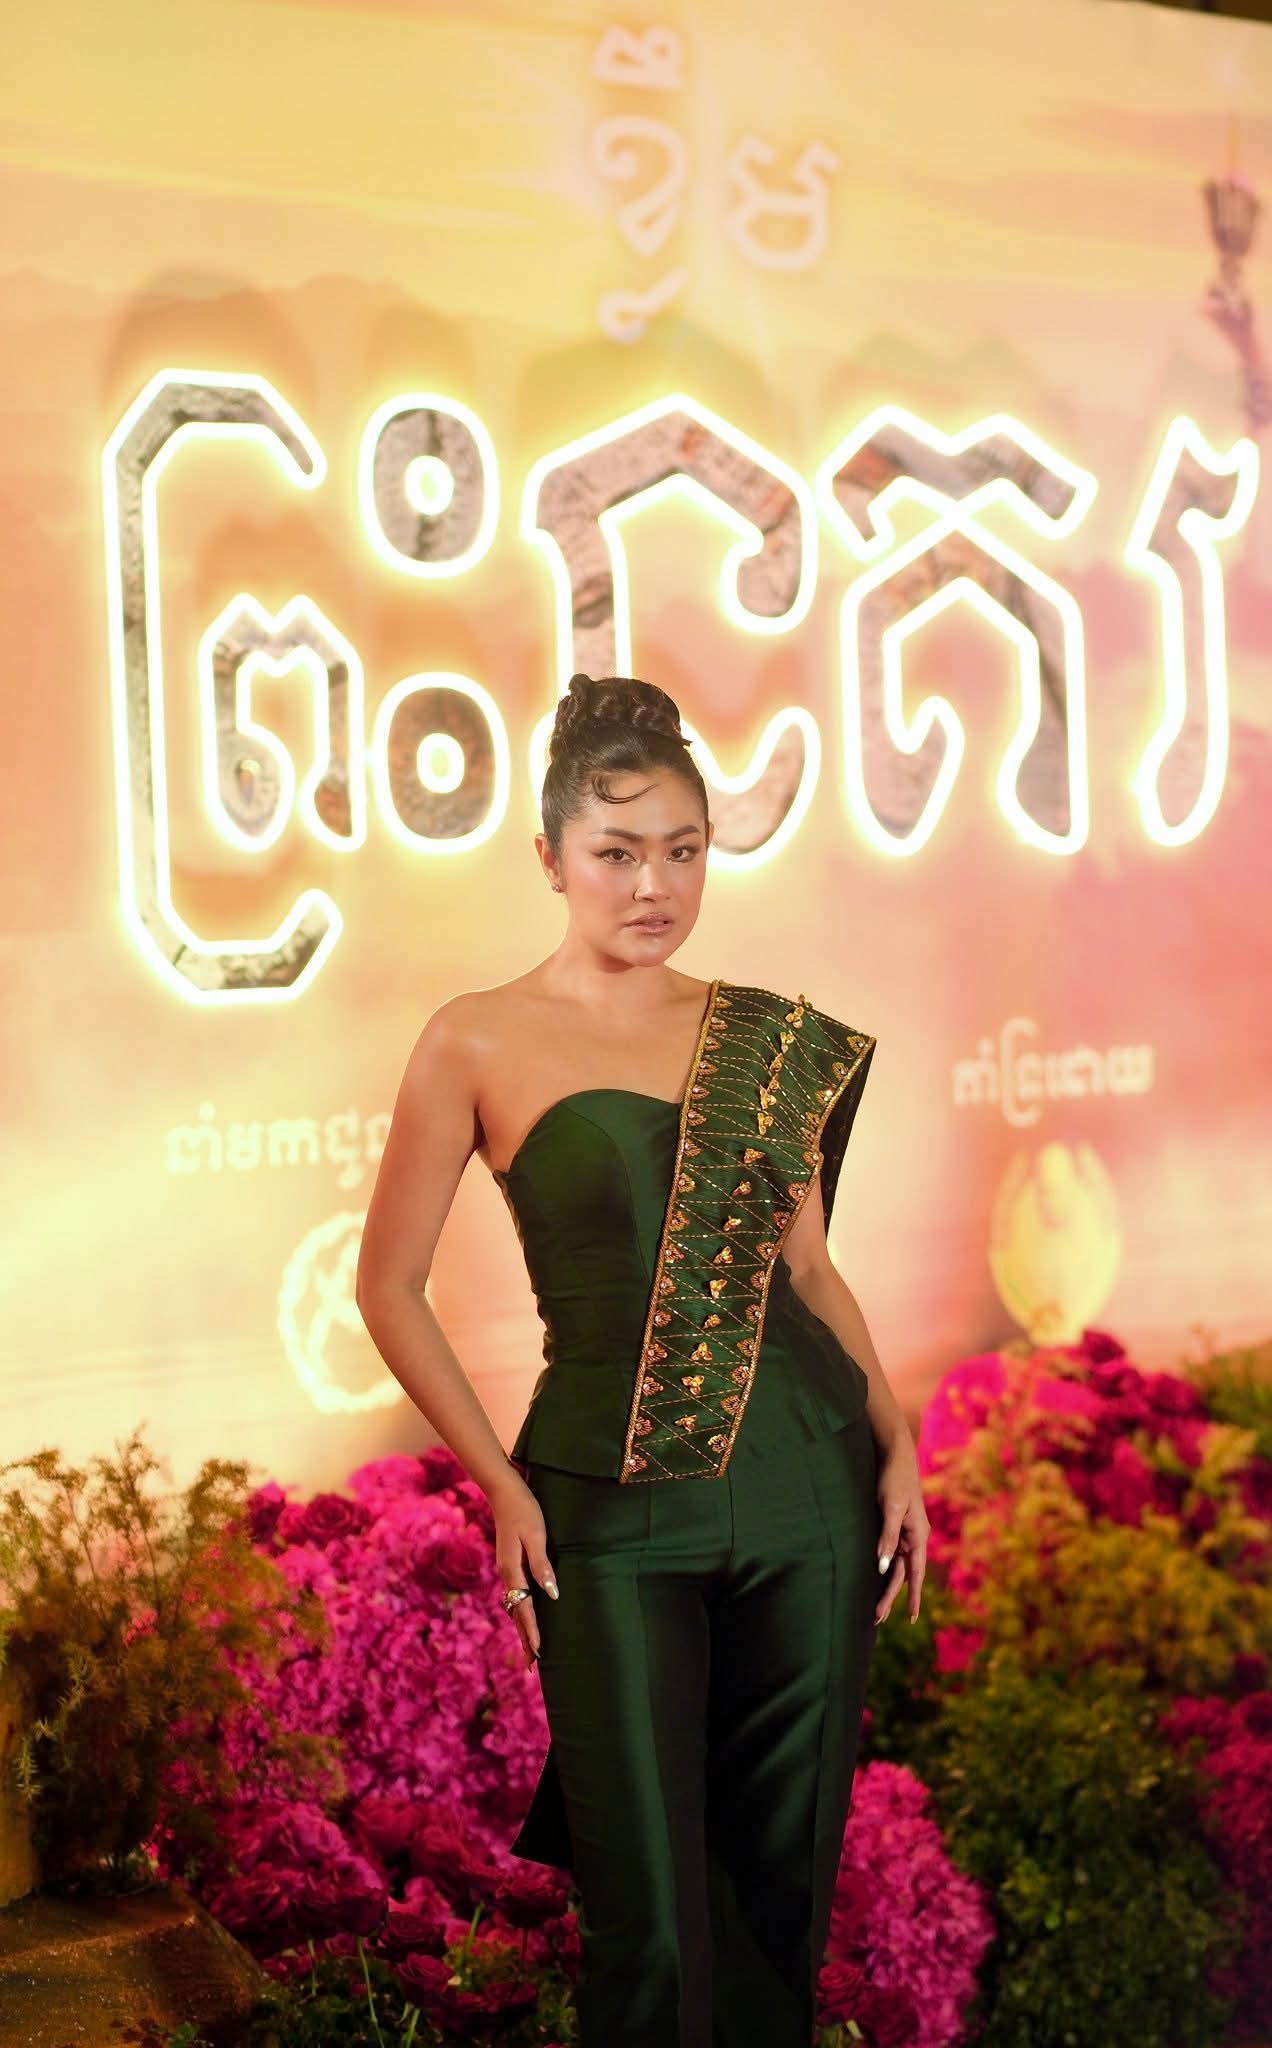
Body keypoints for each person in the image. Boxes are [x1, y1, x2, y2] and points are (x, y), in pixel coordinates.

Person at [356, 671, 929, 2048]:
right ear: (549, 857)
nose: (653, 886)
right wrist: (499, 1484)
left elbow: (807, 1274)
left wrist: (898, 1439)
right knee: (650, 1923)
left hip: (809, 1492)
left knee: (777, 1895)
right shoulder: (474, 1037)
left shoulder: (763, 1037)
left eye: (683, 850)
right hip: (602, 1515)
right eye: (616, 853)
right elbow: (386, 1287)